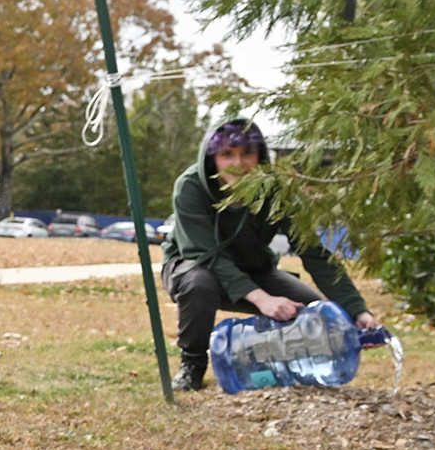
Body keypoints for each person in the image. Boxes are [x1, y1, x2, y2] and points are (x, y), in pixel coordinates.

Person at [161, 117, 378, 392]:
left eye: (247, 154)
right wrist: (262, 299)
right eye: (227, 154)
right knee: (200, 283)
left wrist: (356, 310)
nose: (238, 163)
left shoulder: (276, 190)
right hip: (192, 264)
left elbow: (313, 251)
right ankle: (191, 367)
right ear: (212, 157)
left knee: (310, 309)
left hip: (254, 267)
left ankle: (276, 367)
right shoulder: (190, 186)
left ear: (260, 157)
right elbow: (205, 254)